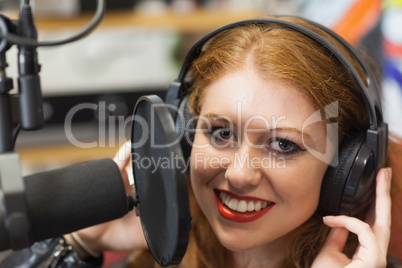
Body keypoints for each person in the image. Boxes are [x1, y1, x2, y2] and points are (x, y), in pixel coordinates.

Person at [0, 16, 392, 268]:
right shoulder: (147, 255)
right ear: (184, 138)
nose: (239, 175)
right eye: (221, 133)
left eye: (283, 145)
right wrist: (79, 244)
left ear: (347, 168)